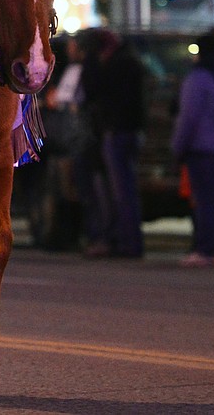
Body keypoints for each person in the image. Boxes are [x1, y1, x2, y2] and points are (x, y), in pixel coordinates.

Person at [171, 31, 214, 266]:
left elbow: (188, 117)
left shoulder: (197, 79)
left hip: (201, 146)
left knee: (204, 200)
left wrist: (177, 146)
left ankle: (206, 248)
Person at [80, 29, 145, 258]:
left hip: (116, 131)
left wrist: (91, 63)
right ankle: (127, 240)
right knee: (123, 189)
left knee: (120, 191)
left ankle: (126, 242)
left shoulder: (116, 65)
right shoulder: (130, 62)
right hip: (127, 131)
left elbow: (93, 90)